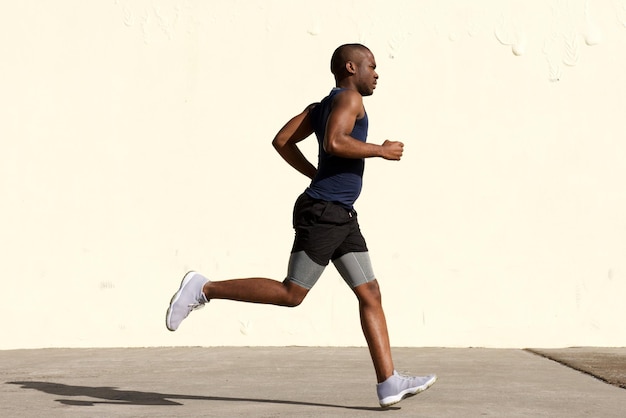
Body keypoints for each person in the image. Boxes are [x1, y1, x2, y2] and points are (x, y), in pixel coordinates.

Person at [165, 43, 436, 408]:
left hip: (339, 214)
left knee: (370, 293)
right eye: (372, 65)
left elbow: (282, 141)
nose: (377, 73)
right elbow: (335, 141)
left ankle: (388, 382)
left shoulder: (321, 105)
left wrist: (315, 173)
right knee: (292, 293)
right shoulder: (350, 101)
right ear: (351, 67)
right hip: (325, 213)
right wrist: (380, 150)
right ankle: (205, 287)